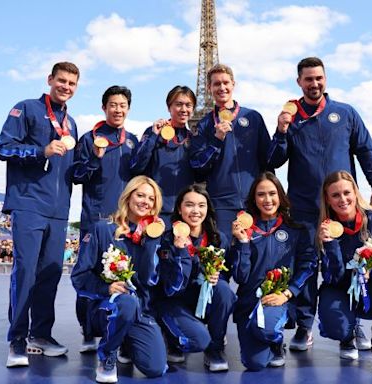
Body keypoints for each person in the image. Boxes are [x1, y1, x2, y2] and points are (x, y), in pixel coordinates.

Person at [268, 56, 372, 351]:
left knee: (350, 264)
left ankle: (353, 326)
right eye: (308, 79)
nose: (314, 83)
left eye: (319, 78)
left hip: (342, 208)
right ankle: (304, 327)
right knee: (305, 265)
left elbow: (366, 150)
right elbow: (274, 160)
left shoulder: (345, 113)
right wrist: (281, 131)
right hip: (304, 206)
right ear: (299, 82)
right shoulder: (290, 118)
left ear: (325, 79)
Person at [0, 61, 80, 368]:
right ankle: (17, 339)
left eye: (71, 83)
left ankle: (40, 335)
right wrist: (39, 151)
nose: (65, 87)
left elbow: (72, 170)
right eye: (61, 80)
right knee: (26, 272)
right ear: (50, 80)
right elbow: (3, 148)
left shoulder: (72, 124)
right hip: (28, 203)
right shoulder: (26, 109)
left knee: (50, 275)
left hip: (59, 211)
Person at [71, 176, 167, 383]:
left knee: (156, 368)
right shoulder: (102, 229)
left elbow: (150, 280)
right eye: (140, 195)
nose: (145, 202)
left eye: (151, 198)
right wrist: (105, 289)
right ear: (128, 197)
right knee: (126, 302)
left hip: (139, 310)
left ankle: (126, 341)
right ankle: (107, 356)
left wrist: (152, 243)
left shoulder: (153, 237)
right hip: (104, 307)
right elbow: (79, 277)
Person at [316, 171, 372, 373]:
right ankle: (347, 336)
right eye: (335, 195)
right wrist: (329, 245)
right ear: (328, 200)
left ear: (355, 193)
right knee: (334, 326)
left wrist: (371, 272)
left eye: (347, 192)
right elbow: (334, 277)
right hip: (340, 288)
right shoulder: (325, 229)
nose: (343, 199)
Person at [73, 85, 138, 352]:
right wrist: (94, 160)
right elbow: (76, 176)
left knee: (123, 276)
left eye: (123, 105)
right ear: (104, 107)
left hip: (124, 223)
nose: (118, 109)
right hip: (95, 219)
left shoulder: (133, 141)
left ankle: (118, 330)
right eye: (113, 104)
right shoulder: (90, 139)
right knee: (91, 275)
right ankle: (88, 331)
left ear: (128, 109)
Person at [229, 172, 315, 371]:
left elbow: (308, 264)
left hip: (279, 299)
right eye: (261, 194)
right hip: (249, 303)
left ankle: (275, 340)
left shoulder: (295, 229)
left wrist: (287, 293)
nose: (267, 200)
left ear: (280, 196)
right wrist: (242, 243)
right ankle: (264, 338)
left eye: (272, 193)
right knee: (254, 364)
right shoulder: (245, 231)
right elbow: (240, 277)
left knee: (267, 330)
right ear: (254, 198)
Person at [156, 184, 236, 372]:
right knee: (199, 341)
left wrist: (217, 276)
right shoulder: (167, 240)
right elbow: (169, 288)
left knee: (224, 290)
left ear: (208, 209)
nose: (196, 211)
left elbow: (227, 274)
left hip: (204, 300)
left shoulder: (218, 239)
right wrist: (181, 252)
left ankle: (215, 349)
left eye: (201, 205)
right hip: (175, 301)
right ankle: (172, 338)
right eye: (189, 205)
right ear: (179, 209)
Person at [189, 64, 272, 240]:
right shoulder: (204, 124)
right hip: (221, 204)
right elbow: (197, 167)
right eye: (216, 84)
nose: (222, 87)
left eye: (226, 82)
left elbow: (268, 159)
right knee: (223, 257)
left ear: (233, 84)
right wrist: (216, 140)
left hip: (254, 201)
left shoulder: (253, 117)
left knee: (255, 258)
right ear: (209, 88)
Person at [130, 86, 196, 226]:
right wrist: (154, 136)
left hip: (183, 212)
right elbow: (137, 166)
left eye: (188, 105)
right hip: (155, 210)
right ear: (169, 107)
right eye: (178, 104)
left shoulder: (194, 139)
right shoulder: (153, 132)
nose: (183, 109)